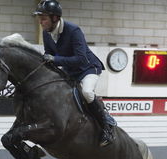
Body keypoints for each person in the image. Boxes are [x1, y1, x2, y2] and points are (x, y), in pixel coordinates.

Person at [33, 0, 116, 147]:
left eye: (43, 18)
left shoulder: (73, 31)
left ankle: (106, 125)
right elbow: (49, 53)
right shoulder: (47, 33)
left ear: (55, 18)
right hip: (69, 71)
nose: (41, 22)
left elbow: (81, 59)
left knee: (87, 92)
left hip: (88, 68)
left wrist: (55, 59)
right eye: (40, 18)